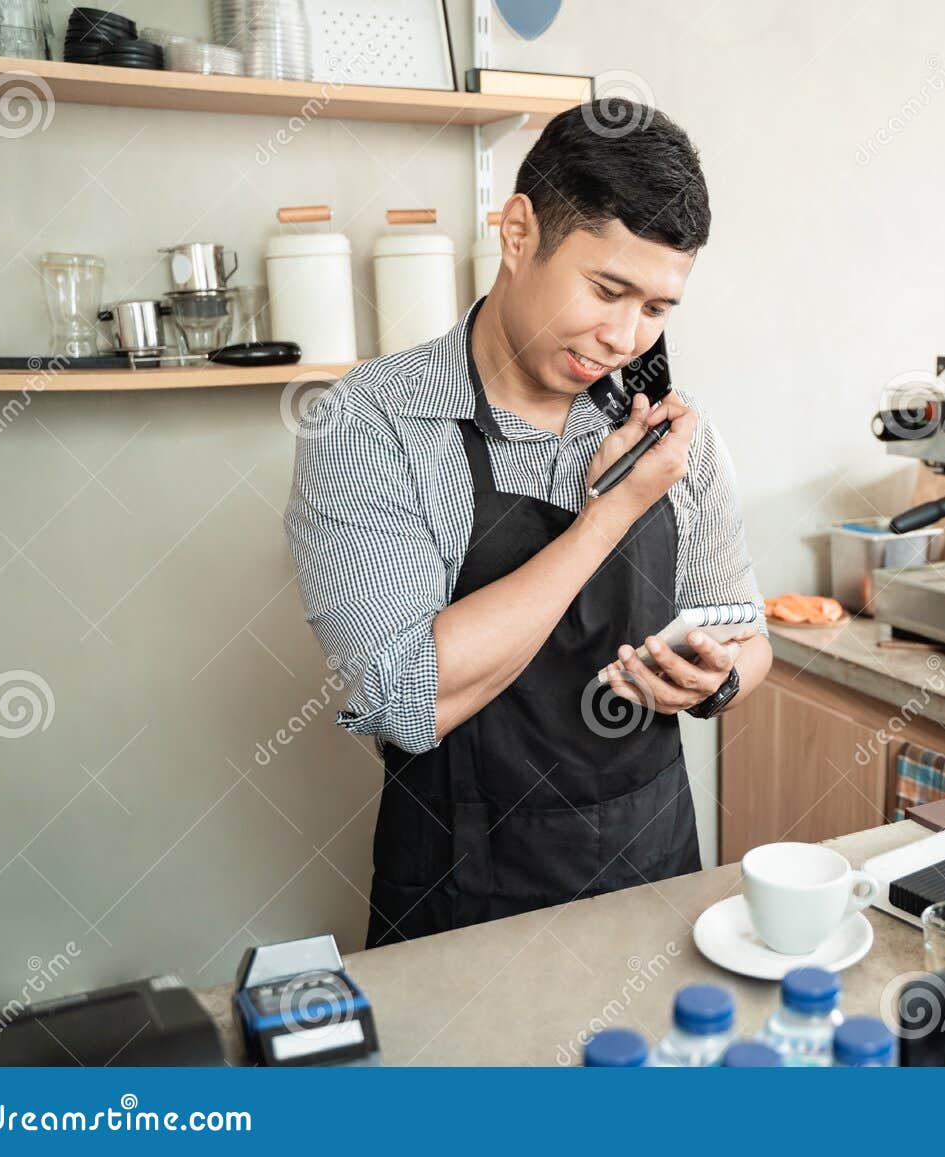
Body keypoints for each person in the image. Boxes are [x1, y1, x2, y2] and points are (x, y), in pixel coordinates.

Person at [285, 100, 769, 945]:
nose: (625, 336)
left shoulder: (667, 431)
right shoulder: (369, 425)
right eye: (607, 289)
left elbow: (750, 632)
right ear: (517, 232)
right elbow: (403, 696)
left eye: (656, 308)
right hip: (464, 899)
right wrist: (609, 513)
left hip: (651, 874)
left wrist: (716, 678)